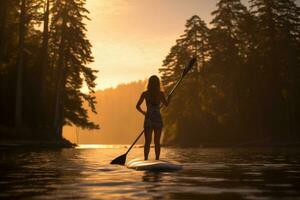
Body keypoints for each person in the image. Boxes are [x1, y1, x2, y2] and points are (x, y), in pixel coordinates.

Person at [136, 75, 170, 160]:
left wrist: (144, 113)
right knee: (157, 142)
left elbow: (137, 106)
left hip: (149, 119)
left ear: (149, 83)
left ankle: (146, 159)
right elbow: (166, 104)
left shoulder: (145, 93)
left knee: (147, 142)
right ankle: (157, 159)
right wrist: (169, 98)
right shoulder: (161, 94)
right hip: (157, 119)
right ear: (158, 83)